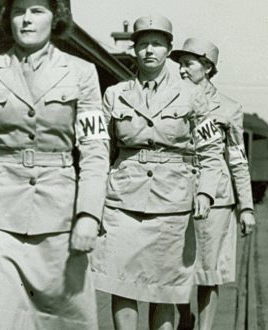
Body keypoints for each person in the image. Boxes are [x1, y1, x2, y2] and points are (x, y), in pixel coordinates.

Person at [0, 0, 109, 328]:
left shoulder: (81, 73)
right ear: (7, 18)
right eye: (18, 11)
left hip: (61, 220)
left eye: (37, 10)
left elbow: (95, 153)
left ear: (56, 18)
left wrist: (88, 215)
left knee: (62, 320)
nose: (26, 19)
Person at [90, 16, 225, 330]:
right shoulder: (113, 94)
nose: (149, 50)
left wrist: (205, 191)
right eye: (143, 44)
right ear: (134, 48)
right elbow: (96, 148)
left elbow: (211, 150)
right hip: (121, 201)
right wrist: (91, 200)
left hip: (172, 203)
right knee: (119, 282)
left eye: (157, 44)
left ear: (168, 49)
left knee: (163, 287)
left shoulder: (193, 95)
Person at [170, 38, 257, 330]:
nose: (181, 70)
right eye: (180, 64)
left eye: (188, 64)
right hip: (175, 193)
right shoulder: (170, 102)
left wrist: (246, 207)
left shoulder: (229, 109)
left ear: (207, 66)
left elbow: (237, 159)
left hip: (217, 200)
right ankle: (184, 320)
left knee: (209, 272)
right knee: (176, 269)